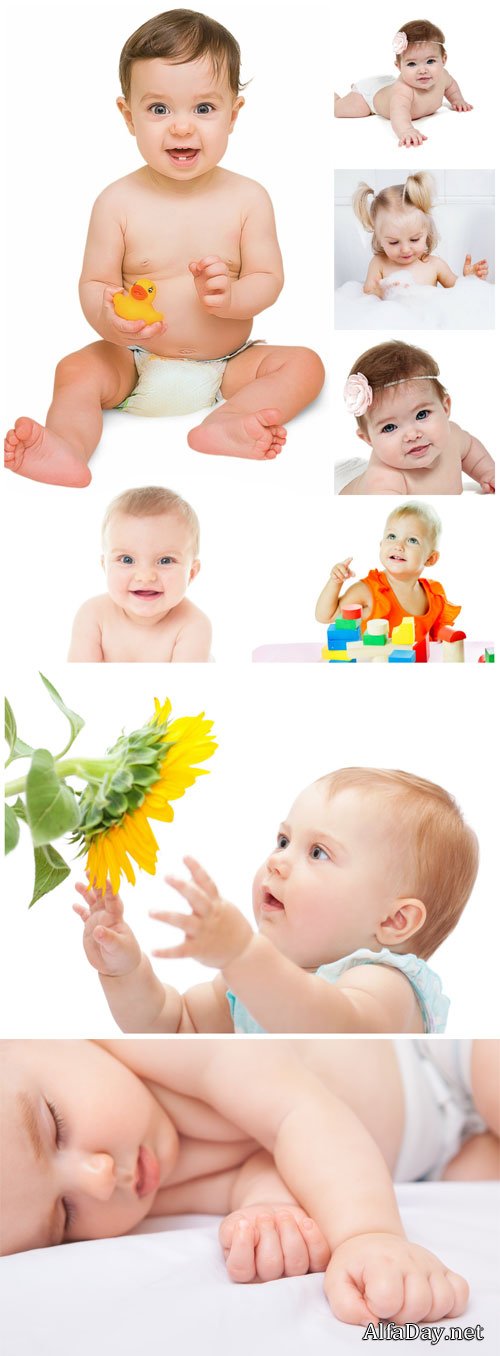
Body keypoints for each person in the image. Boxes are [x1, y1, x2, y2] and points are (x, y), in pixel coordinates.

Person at [4, 9, 324, 487]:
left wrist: (233, 298)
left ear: (233, 115)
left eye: (203, 108)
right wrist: (109, 317)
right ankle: (67, 445)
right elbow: (95, 283)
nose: (180, 128)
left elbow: (268, 279)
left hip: (228, 366)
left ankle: (226, 424)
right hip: (132, 360)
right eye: (159, 109)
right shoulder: (117, 202)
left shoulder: (248, 198)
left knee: (304, 364)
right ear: (128, 115)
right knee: (76, 369)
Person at [3, 1037, 498, 1327]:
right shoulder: (142, 1189)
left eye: (54, 1125)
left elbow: (295, 1114)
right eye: (64, 1215)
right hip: (435, 1155)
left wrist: (367, 1234)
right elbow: (254, 1167)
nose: (99, 1179)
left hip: (433, 1057)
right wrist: (267, 1212)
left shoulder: (161, 1045)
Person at [72, 766, 478, 1033]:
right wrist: (124, 971)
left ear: (394, 921)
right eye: (284, 840)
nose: (278, 861)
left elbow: (328, 1029)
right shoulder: (251, 979)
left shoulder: (383, 984)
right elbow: (174, 1026)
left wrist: (244, 955)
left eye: (318, 852)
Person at [68, 486, 212, 661]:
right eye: (127, 560)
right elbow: (77, 683)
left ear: (191, 573)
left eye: (165, 561)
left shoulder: (193, 625)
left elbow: (184, 687)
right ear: (105, 567)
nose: (145, 576)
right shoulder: (93, 615)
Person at [339, 343, 495, 494]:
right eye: (389, 427)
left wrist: (488, 473)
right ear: (368, 439)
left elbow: (471, 452)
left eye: (422, 414)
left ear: (445, 407)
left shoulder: (453, 438)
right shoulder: (384, 480)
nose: (412, 435)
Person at [316, 503, 460, 642]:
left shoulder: (435, 595)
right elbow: (326, 616)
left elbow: (439, 636)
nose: (398, 546)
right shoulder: (369, 591)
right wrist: (335, 581)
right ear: (381, 545)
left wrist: (445, 637)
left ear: (430, 558)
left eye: (412, 540)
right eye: (392, 537)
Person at [335, 20, 473, 147]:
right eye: (412, 64)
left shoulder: (443, 76)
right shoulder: (403, 90)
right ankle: (336, 98)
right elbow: (398, 114)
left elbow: (451, 86)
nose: (423, 70)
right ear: (399, 66)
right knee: (345, 110)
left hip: (387, 85)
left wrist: (458, 100)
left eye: (430, 61)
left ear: (443, 59)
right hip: (370, 97)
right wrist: (406, 130)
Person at [352, 174, 488, 297]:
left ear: (427, 232)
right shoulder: (379, 264)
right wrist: (379, 292)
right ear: (379, 238)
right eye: (394, 242)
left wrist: (470, 280)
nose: (405, 249)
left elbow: (458, 292)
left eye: (414, 239)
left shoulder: (435, 265)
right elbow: (367, 296)